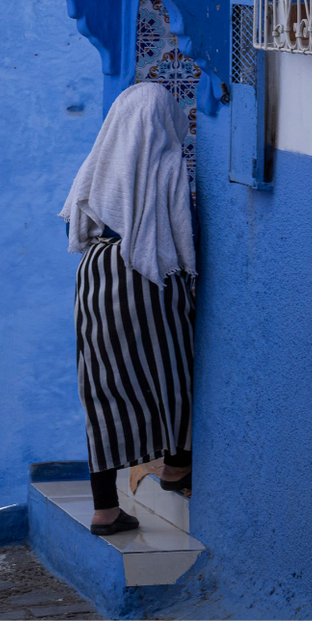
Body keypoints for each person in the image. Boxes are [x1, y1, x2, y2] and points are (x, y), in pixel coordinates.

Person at [59, 82, 196, 535]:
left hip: (94, 273)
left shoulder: (99, 161)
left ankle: (104, 509)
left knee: (100, 385)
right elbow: (180, 231)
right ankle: (176, 464)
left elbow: (75, 222)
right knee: (171, 367)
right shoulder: (164, 161)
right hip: (143, 271)